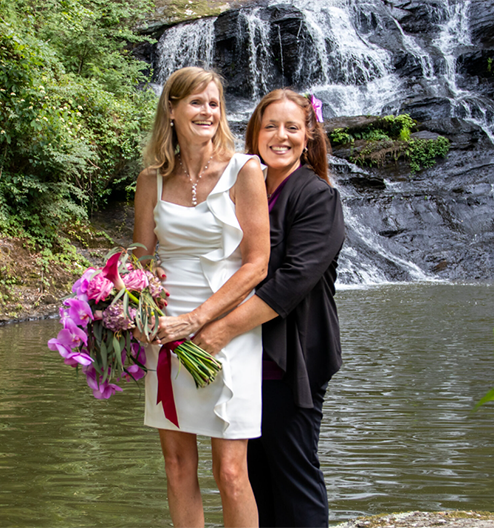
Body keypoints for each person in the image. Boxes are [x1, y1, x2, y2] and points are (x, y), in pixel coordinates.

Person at [192, 88, 345, 528]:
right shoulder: (245, 187)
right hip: (245, 356)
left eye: (292, 127)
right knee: (252, 476)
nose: (280, 136)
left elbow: (291, 282)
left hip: (288, 356)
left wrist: (218, 330)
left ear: (309, 136)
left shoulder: (317, 197)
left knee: (293, 472)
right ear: (254, 132)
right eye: (270, 126)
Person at [133, 67, 269, 528]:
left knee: (230, 471)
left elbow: (256, 264)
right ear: (171, 110)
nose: (207, 111)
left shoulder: (245, 170)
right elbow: (141, 261)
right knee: (177, 467)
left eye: (214, 103)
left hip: (224, 327)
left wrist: (198, 321)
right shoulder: (150, 179)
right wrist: (134, 311)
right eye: (196, 102)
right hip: (166, 330)